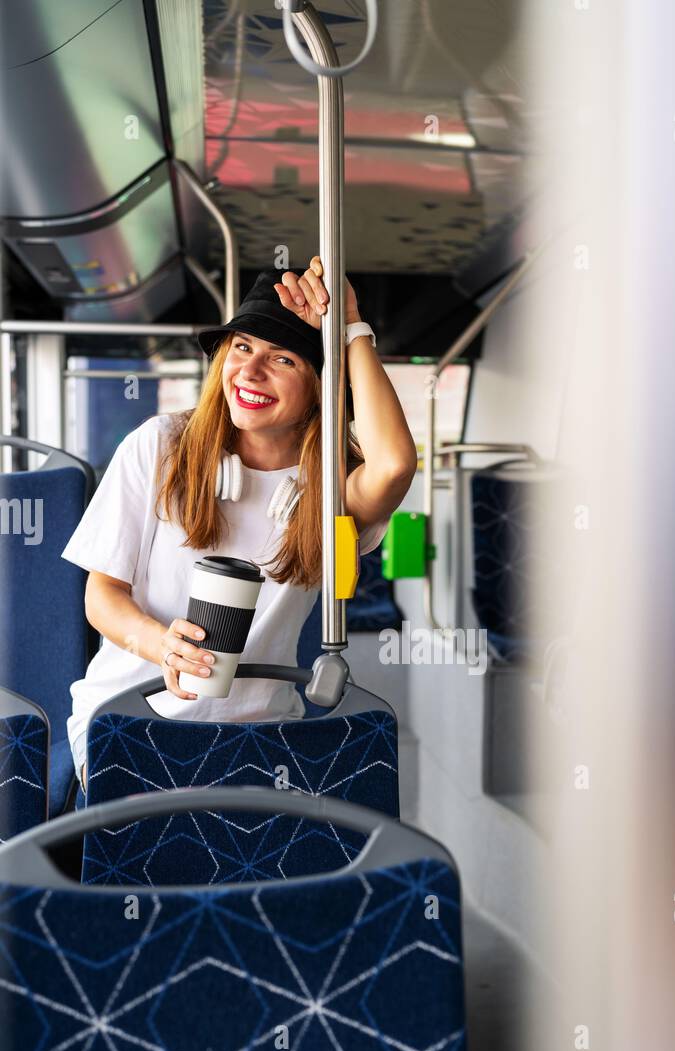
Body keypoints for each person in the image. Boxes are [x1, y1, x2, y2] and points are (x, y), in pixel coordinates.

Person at [63, 257, 417, 790]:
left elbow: (392, 466)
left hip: (264, 735)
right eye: (242, 348)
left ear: (321, 386)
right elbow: (102, 597)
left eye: (284, 360)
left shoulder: (328, 483)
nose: (250, 372)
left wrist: (351, 326)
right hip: (131, 721)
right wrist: (163, 646)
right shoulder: (160, 446)